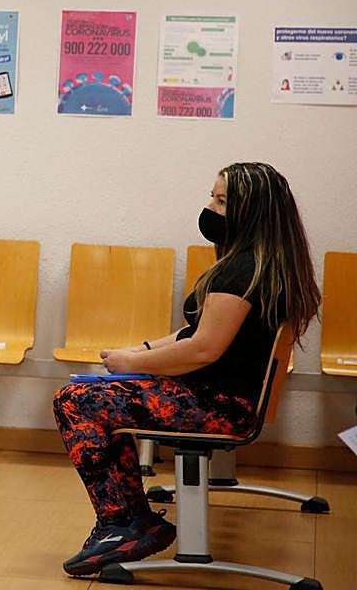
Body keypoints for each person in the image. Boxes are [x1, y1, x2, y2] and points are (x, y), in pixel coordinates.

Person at [52, 162, 320, 577]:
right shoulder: (264, 265)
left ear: (250, 212)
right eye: (212, 197)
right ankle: (129, 520)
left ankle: (123, 523)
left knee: (76, 401)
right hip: (225, 399)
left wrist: (132, 364)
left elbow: (202, 350)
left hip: (218, 406)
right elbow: (194, 332)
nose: (210, 208)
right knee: (97, 397)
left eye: (222, 201)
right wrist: (140, 352)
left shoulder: (241, 271)